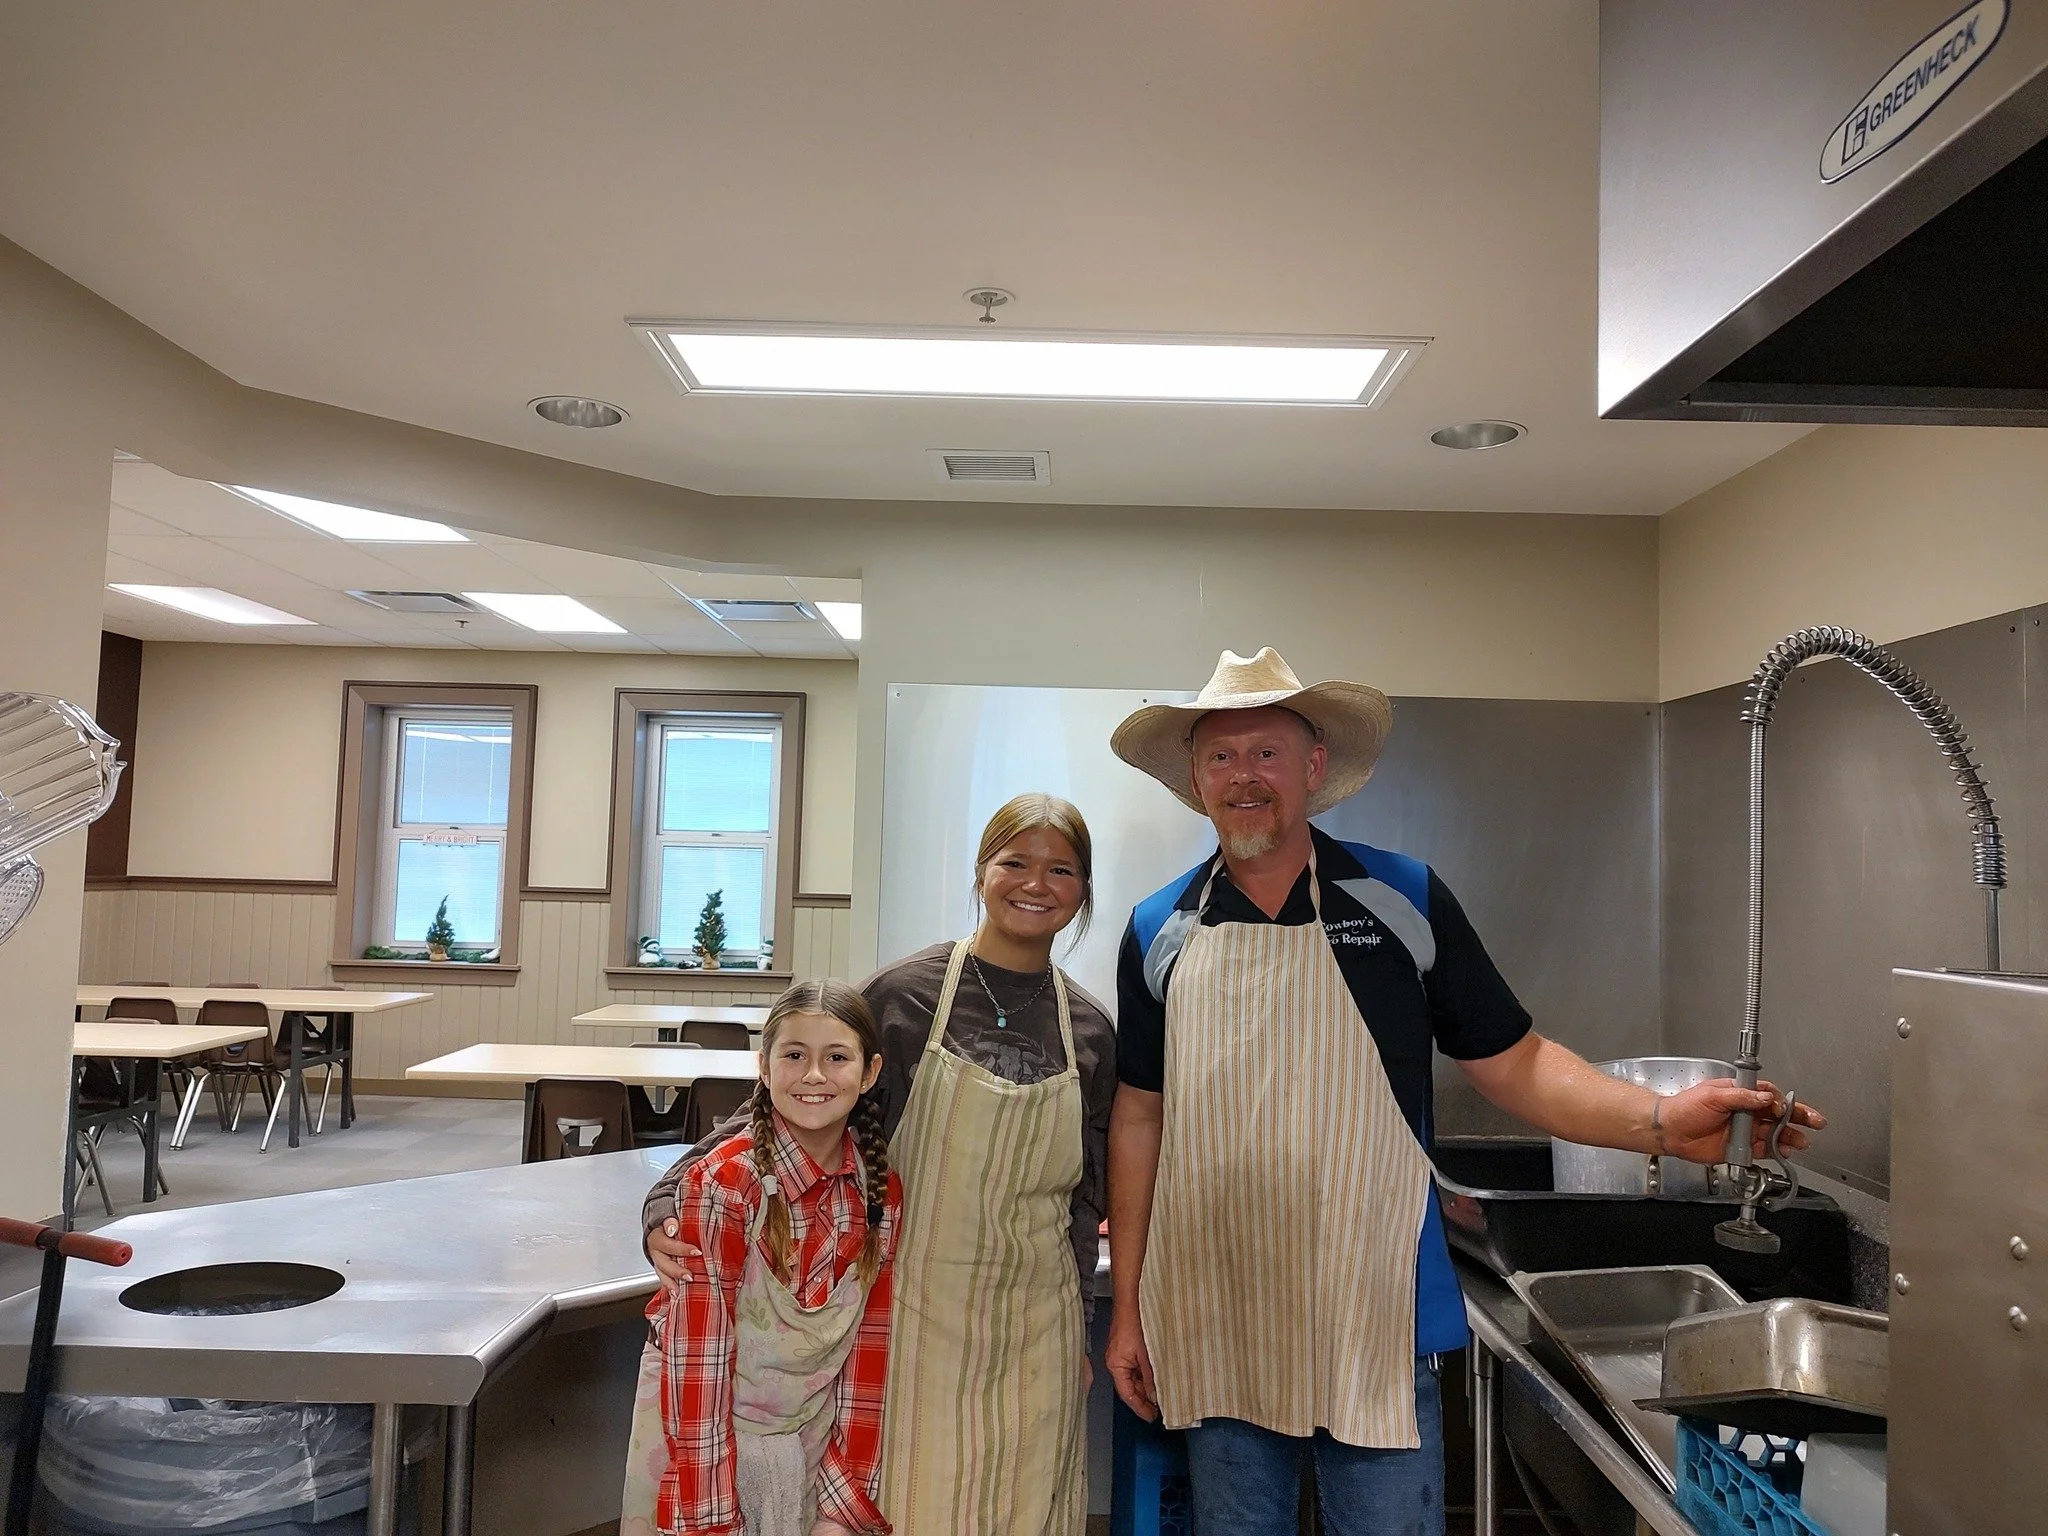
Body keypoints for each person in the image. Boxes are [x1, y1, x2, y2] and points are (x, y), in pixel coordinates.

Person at [1102, 648, 1825, 1536]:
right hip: (1219, 1303)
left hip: (1375, 1306)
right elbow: (1140, 1116)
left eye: (1267, 752)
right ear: (1195, 777)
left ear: (1314, 767)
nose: (1243, 775)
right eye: (1221, 754)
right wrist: (1130, 1311)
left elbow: (1514, 1062)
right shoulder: (1159, 927)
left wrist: (1665, 1123)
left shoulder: (1400, 897)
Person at [644, 793, 1115, 1536]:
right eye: (1015, 862)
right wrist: (664, 1201)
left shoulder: (1089, 1028)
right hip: (914, 1321)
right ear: (982, 872)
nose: (1036, 883)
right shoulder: (905, 996)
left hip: (1039, 1331)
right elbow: (770, 1110)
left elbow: (1084, 1202)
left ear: (1083, 889)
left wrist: (1082, 1329)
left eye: (1061, 869)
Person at [621, 978, 904, 1536]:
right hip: (699, 1448)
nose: (815, 1075)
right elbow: (699, 1361)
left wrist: (843, 1504)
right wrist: (710, 1519)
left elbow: (869, 1351)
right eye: (794, 1055)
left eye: (837, 1058)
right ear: (765, 1068)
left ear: (870, 1072)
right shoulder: (726, 1186)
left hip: (809, 1444)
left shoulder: (879, 1194)